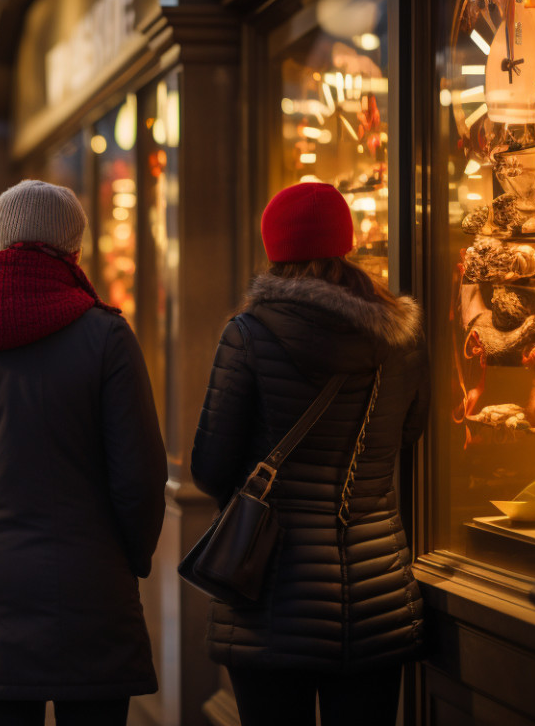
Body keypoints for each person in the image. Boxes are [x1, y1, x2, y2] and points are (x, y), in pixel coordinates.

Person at [0, 180, 167, 726]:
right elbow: (138, 476)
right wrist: (131, 557)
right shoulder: (105, 336)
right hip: (92, 586)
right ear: (73, 249)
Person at [190, 182, 429, 726]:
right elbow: (411, 432)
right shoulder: (404, 335)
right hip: (377, 599)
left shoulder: (248, 334)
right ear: (345, 244)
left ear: (273, 249)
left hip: (270, 603)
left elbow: (210, 469)